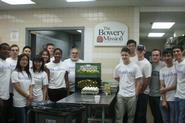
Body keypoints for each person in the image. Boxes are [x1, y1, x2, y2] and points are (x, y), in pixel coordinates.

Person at [114, 47, 142, 123]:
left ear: (129, 55)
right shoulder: (118, 67)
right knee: (119, 117)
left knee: (131, 117)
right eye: (122, 55)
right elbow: (116, 77)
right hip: (121, 95)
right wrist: (124, 81)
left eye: (126, 55)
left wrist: (136, 93)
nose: (124, 57)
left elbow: (138, 81)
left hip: (132, 96)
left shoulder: (135, 67)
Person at [11, 53, 33, 123]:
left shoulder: (28, 73)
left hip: (27, 100)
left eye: (26, 60)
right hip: (19, 101)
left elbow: (30, 86)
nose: (24, 61)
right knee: (22, 120)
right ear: (19, 61)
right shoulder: (15, 72)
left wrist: (30, 97)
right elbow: (17, 87)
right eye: (23, 59)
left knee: (27, 120)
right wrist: (27, 96)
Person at [134, 44, 152, 123]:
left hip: (143, 93)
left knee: (141, 114)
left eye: (141, 50)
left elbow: (147, 79)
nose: (139, 52)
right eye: (138, 50)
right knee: (136, 113)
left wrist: (141, 90)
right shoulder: (135, 62)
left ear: (144, 51)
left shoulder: (147, 63)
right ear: (136, 51)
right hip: (135, 91)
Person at [159, 48, 176, 123]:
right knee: (165, 120)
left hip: (174, 99)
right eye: (165, 56)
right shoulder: (162, 70)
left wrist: (165, 89)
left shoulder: (177, 68)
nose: (167, 58)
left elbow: (178, 85)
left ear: (172, 57)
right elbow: (162, 85)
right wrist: (164, 100)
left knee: (173, 120)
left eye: (169, 56)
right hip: (164, 99)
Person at [149, 49, 165, 123]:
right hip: (151, 94)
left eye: (157, 55)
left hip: (160, 95)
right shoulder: (149, 65)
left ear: (160, 56)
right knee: (154, 114)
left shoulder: (164, 65)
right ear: (151, 56)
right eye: (153, 55)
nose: (155, 57)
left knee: (160, 115)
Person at [172, 45, 185, 123]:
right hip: (177, 95)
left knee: (181, 119)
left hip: (184, 97)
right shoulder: (176, 63)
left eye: (178, 51)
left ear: (182, 52)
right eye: (174, 52)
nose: (176, 53)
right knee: (177, 118)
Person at [0, 43, 11, 123]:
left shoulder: (7, 62)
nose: (6, 51)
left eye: (8, 49)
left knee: (5, 118)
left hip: (7, 95)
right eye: (4, 49)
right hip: (1, 97)